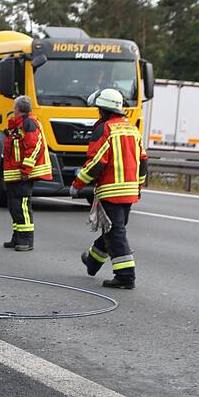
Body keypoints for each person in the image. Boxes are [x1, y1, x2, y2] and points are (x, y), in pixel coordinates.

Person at [72, 88, 148, 289]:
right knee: (113, 230)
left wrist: (77, 183)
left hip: (111, 191)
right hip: (130, 191)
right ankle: (93, 261)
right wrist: (138, 186)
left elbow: (97, 161)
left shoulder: (105, 129)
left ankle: (125, 276)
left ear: (103, 110)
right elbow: (143, 161)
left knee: (115, 233)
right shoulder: (132, 129)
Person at [1, 95, 52, 251]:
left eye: (14, 107)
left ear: (17, 109)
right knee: (14, 206)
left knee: (22, 206)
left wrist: (26, 169)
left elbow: (35, 147)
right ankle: (17, 237)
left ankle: (26, 241)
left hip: (22, 174)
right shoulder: (20, 124)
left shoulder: (29, 123)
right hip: (14, 173)